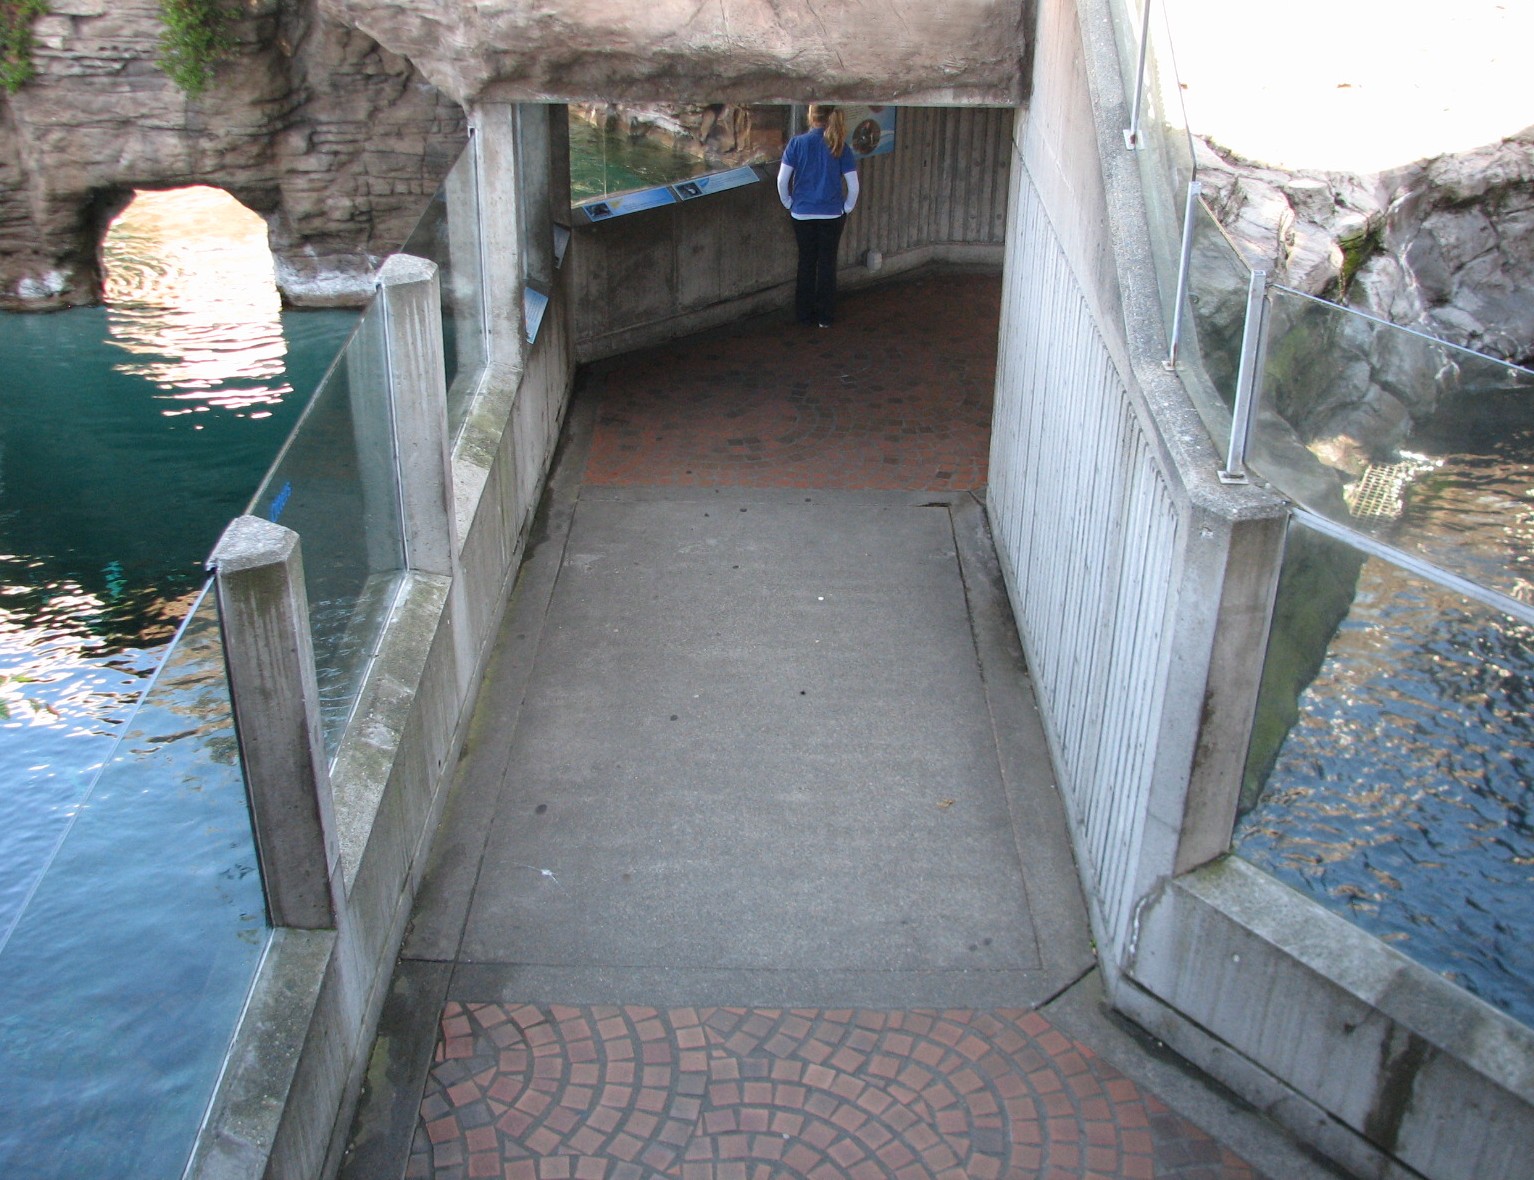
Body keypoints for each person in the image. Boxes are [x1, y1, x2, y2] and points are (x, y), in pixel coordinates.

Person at [777, 104, 860, 327]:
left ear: (810, 117)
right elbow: (853, 186)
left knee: (806, 263)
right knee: (827, 264)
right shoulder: (840, 146)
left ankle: (803, 316)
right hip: (832, 214)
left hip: (802, 213)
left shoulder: (796, 143)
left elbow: (782, 181)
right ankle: (825, 317)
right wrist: (847, 208)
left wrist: (788, 203)